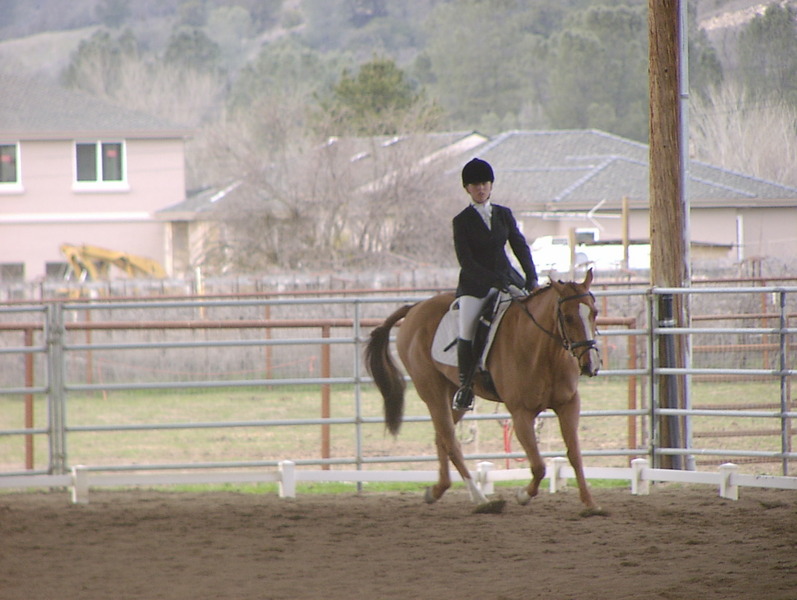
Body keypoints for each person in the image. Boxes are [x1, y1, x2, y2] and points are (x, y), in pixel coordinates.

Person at [451, 157, 538, 411]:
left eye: (485, 183)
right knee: (467, 328)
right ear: (467, 188)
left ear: (491, 185)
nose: (481, 188)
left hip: (508, 278)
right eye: (475, 184)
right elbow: (466, 261)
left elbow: (520, 246)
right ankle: (465, 386)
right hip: (476, 285)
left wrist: (531, 277)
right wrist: (492, 280)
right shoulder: (461, 221)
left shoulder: (504, 214)